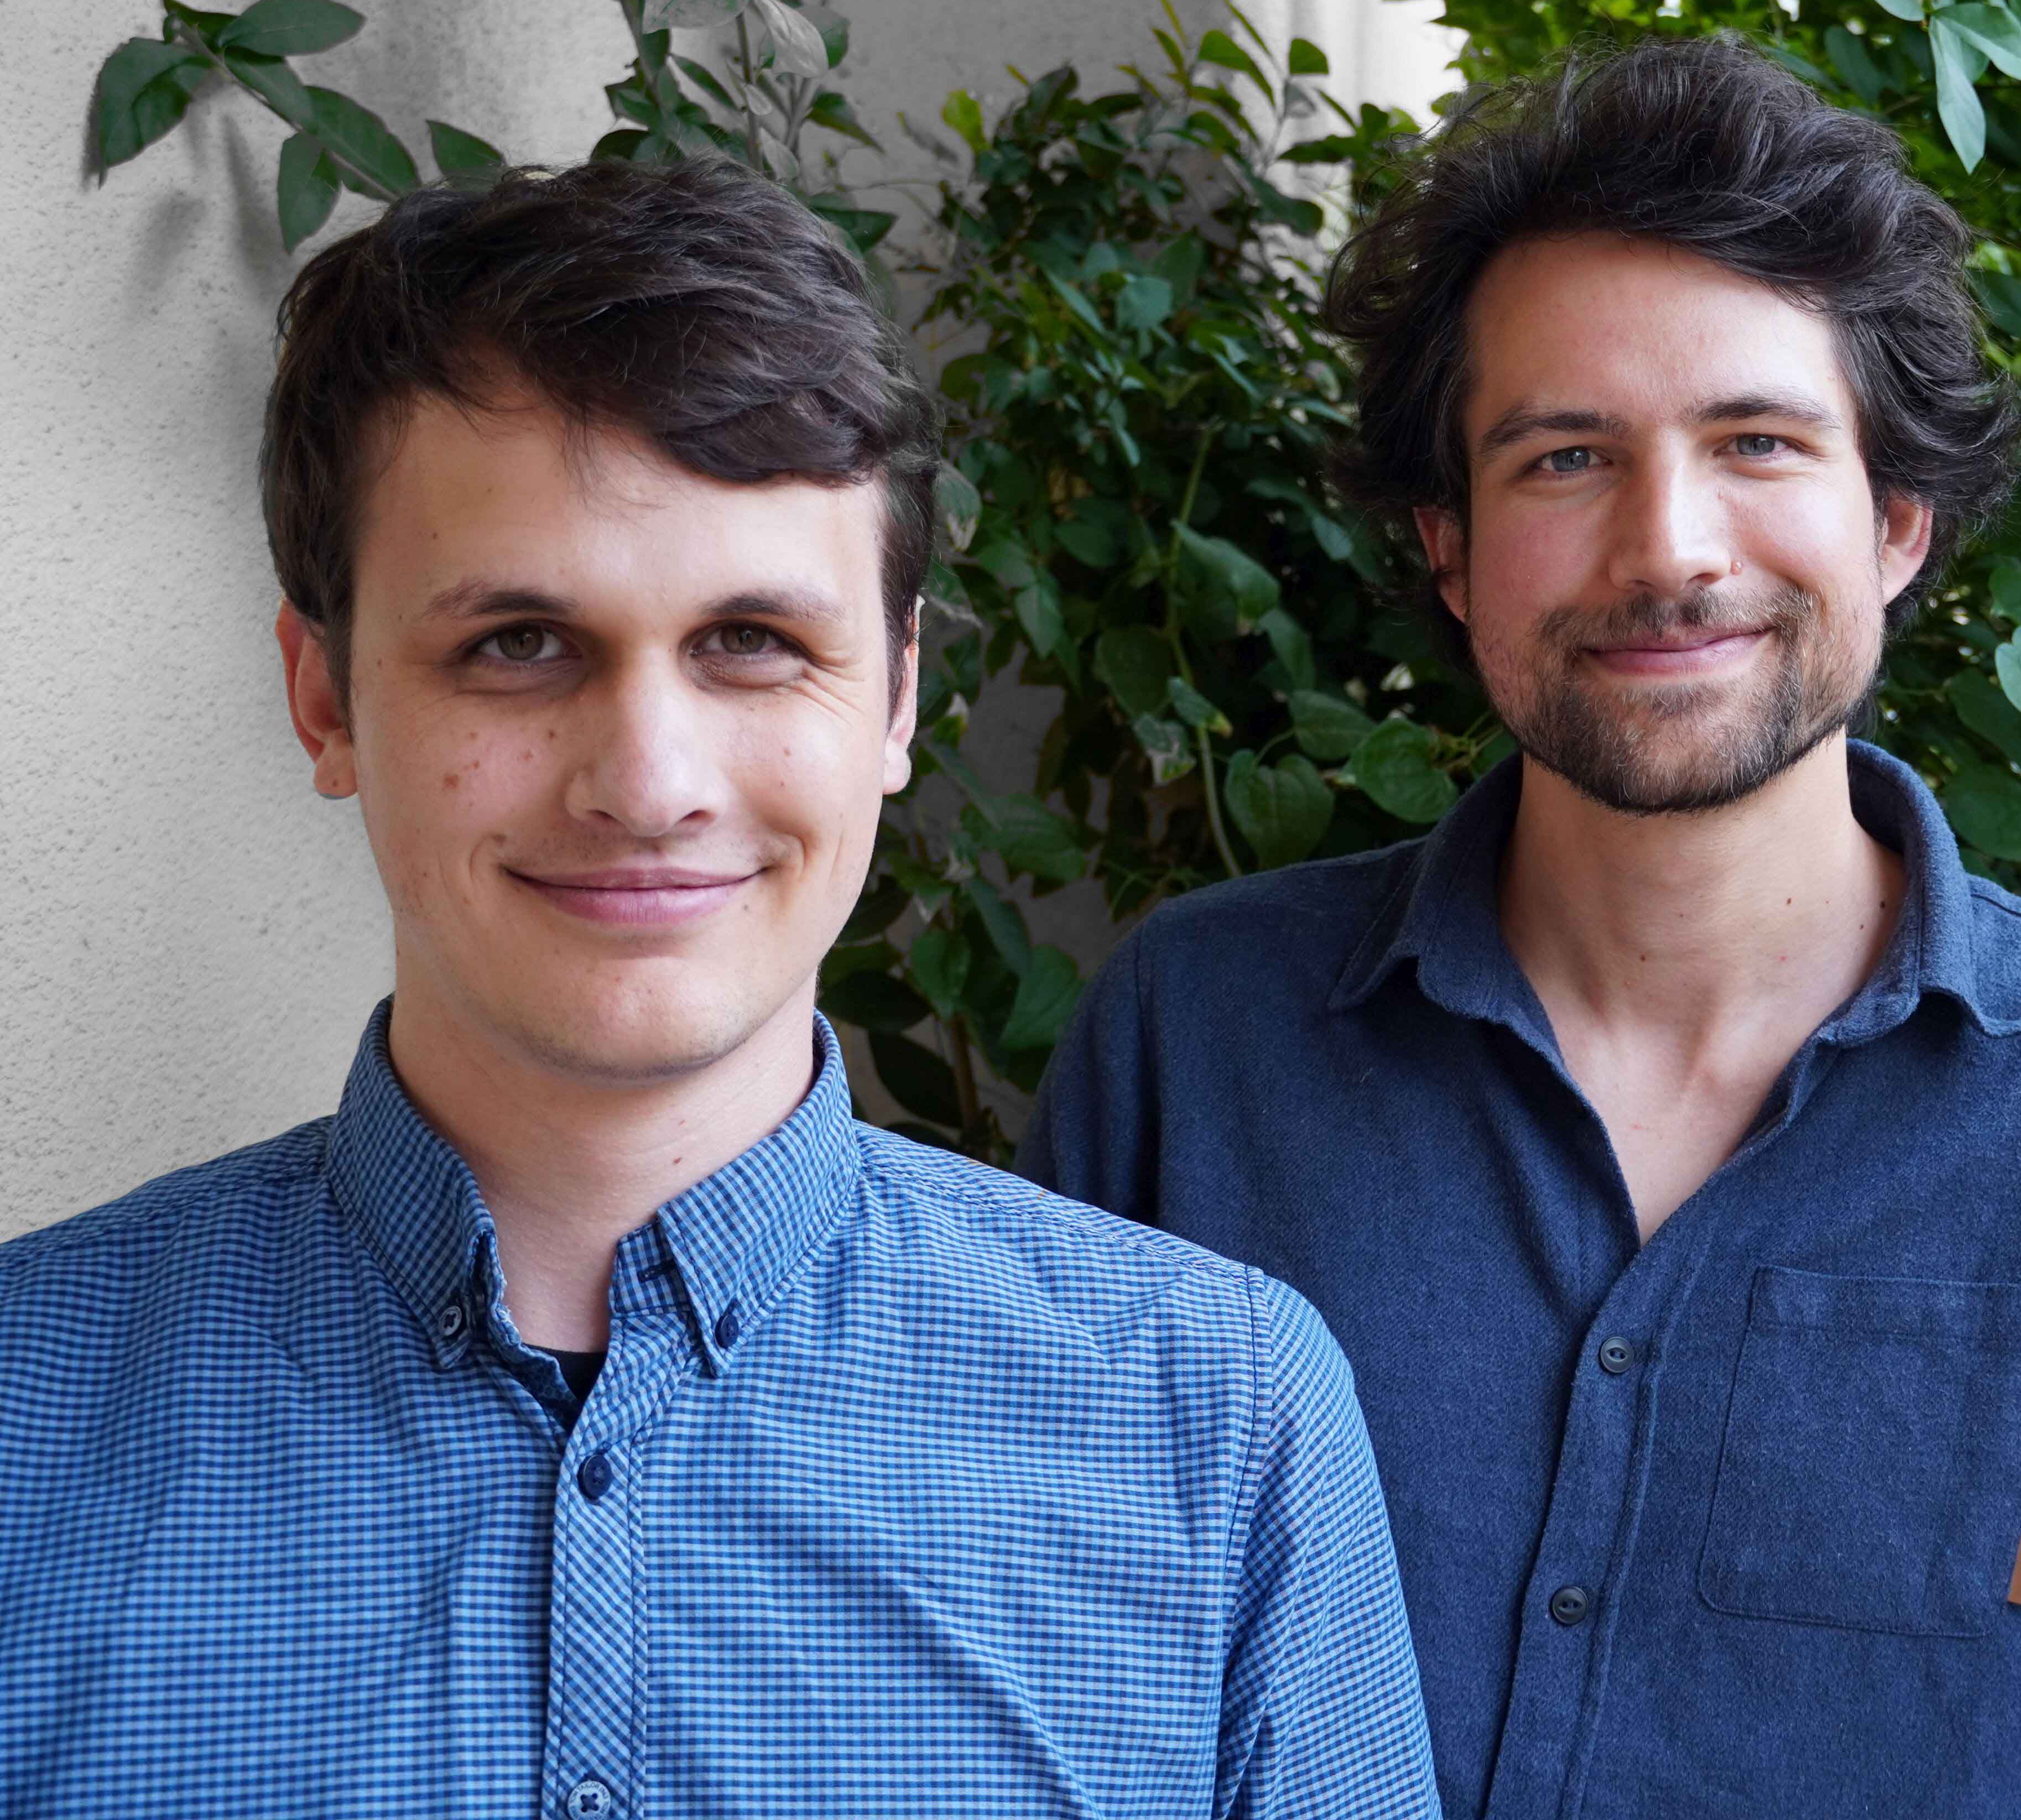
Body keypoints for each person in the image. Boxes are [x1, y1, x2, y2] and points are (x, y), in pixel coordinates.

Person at [1023, 38, 2021, 1818]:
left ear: (1895, 520)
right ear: (1449, 544)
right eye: (1567, 457)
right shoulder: (1198, 1043)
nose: (1669, 549)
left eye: (1757, 443)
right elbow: (1028, 1701)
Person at [0, 161, 1438, 1818]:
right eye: (520, 644)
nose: (650, 780)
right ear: (324, 698)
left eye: (754, 639)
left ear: (897, 699)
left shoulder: (1218, 1423)